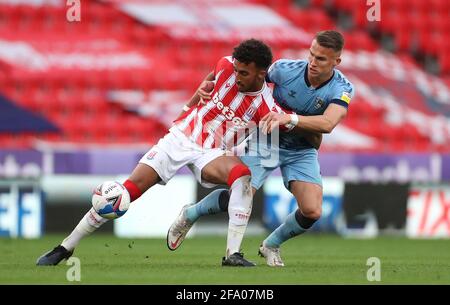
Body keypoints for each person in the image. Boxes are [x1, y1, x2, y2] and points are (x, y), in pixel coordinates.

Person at [36, 39, 298, 267]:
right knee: (123, 195)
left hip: (213, 151)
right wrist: (190, 104)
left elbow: (291, 125)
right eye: (237, 70)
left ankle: (232, 254)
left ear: (261, 73)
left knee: (242, 176)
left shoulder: (266, 106)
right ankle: (65, 248)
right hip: (180, 138)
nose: (237, 76)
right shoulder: (226, 65)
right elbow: (210, 79)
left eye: (244, 73)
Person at [167, 30, 354, 267]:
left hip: (301, 149)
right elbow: (242, 75)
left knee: (312, 211)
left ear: (336, 62)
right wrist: (210, 83)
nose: (313, 62)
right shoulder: (285, 69)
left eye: (321, 59)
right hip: (268, 139)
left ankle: (271, 245)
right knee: (242, 192)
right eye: (312, 55)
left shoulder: (342, 88)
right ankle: (191, 214)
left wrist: (288, 118)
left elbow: (328, 124)